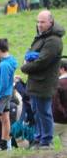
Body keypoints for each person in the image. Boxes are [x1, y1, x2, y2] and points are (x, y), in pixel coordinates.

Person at [20, 10, 64, 149]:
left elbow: (42, 61)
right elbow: (34, 56)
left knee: (44, 111)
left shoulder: (54, 40)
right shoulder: (42, 37)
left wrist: (25, 67)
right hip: (35, 81)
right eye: (38, 21)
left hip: (44, 82)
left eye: (42, 22)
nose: (39, 24)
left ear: (51, 22)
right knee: (36, 111)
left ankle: (46, 140)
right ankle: (39, 138)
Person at [52, 59, 67, 145]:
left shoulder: (58, 83)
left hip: (58, 120)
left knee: (44, 141)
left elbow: (56, 104)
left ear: (62, 69)